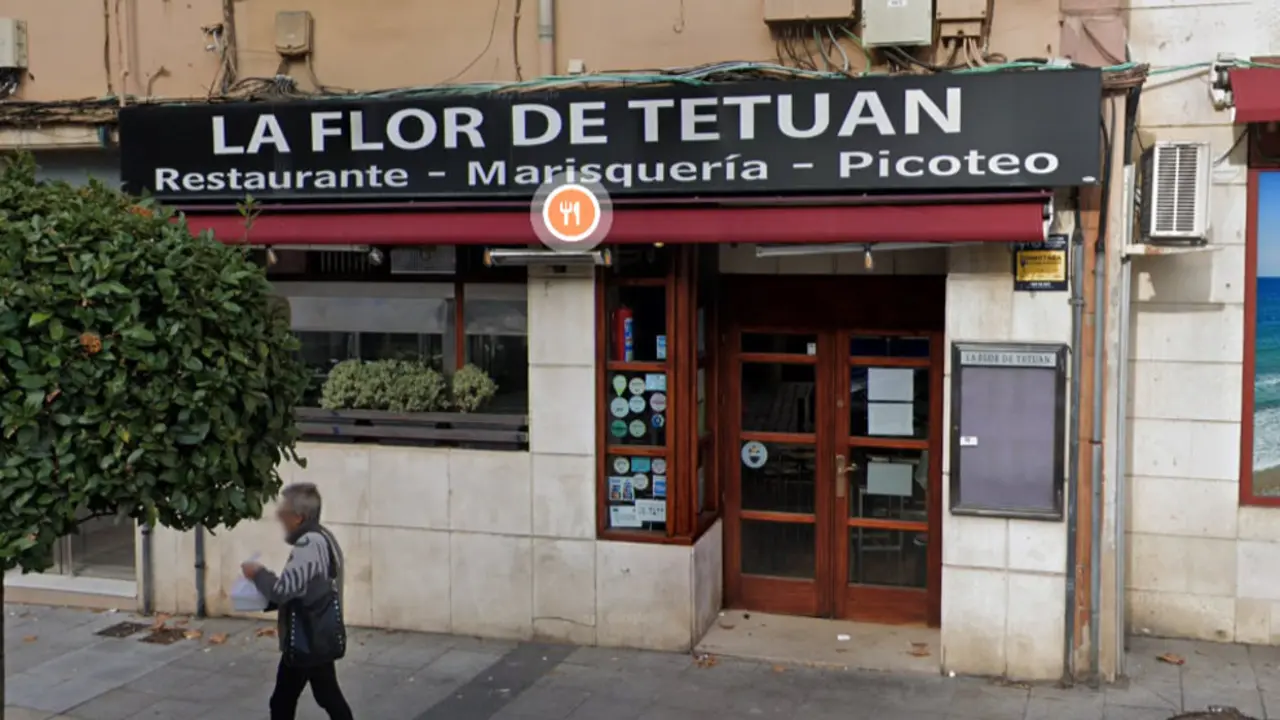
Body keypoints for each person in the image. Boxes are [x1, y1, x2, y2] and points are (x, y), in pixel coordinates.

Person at [241, 482, 354, 720]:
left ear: (298, 517)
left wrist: (257, 573)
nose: (279, 516)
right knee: (325, 695)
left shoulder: (309, 544)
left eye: (284, 512)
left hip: (308, 637)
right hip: (316, 634)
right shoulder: (324, 536)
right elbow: (305, 587)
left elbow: (284, 590)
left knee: (284, 701)